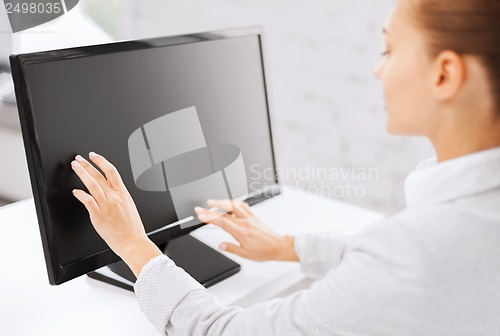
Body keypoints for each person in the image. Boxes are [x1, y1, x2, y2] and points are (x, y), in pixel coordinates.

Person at [69, 0, 500, 334]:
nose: (377, 70)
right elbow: (396, 264)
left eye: (389, 49)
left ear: (444, 74)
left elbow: (223, 332)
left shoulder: (416, 251)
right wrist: (287, 246)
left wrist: (133, 245)